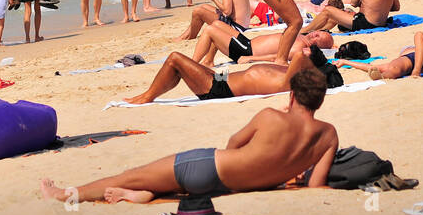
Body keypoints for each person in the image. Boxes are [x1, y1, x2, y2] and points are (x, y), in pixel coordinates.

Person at [41, 68, 338, 204]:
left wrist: (232, 163)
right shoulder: (328, 135)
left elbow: (234, 143)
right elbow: (316, 185)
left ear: (292, 96)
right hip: (234, 190)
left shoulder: (271, 116)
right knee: (155, 182)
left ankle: (66, 194)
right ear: (320, 101)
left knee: (131, 175)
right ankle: (146, 195)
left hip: (209, 169)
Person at [124, 48, 328, 104]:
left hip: (218, 89)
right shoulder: (288, 70)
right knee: (180, 63)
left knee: (174, 58)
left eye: (308, 53)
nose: (303, 51)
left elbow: (301, 55)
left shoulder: (291, 81)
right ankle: (148, 95)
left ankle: (147, 96)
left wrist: (311, 59)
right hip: (220, 78)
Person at [339, 30, 423, 81]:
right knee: (391, 69)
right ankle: (382, 77)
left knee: (419, 35)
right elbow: (370, 66)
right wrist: (346, 62)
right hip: (409, 59)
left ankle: (415, 71)